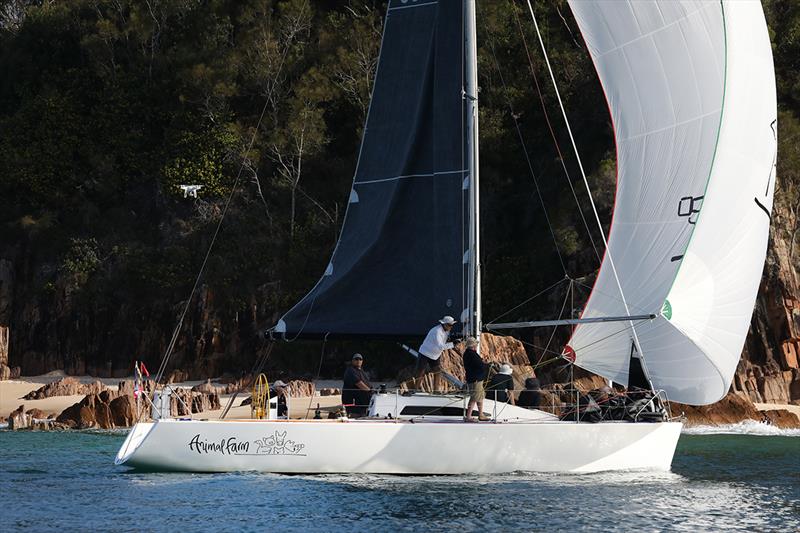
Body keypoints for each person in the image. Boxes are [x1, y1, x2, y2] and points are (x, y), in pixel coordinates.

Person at [415, 315, 458, 392]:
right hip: (425, 352)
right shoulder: (437, 331)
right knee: (421, 371)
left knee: (437, 371)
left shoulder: (447, 330)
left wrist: (453, 341)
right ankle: (415, 389)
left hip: (435, 354)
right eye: (449, 325)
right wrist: (453, 344)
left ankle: (436, 390)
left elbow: (445, 341)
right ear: (444, 324)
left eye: (452, 325)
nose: (451, 327)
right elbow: (440, 346)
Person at [462, 337, 490, 422]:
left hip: (475, 378)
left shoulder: (468, 353)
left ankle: (480, 414)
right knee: (474, 397)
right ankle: (468, 417)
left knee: (479, 396)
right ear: (473, 345)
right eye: (476, 343)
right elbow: (479, 365)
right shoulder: (471, 354)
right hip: (475, 379)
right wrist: (487, 365)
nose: (477, 345)